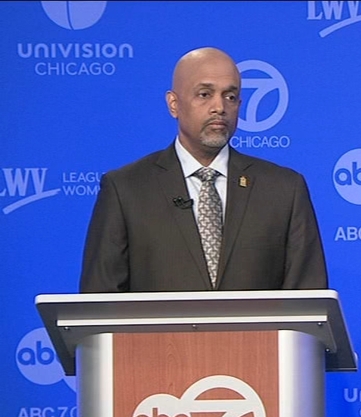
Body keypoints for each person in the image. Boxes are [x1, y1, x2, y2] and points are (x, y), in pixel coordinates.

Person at [80, 47, 327, 292]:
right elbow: (100, 300)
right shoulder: (126, 189)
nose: (219, 107)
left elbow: (307, 299)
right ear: (174, 104)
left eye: (230, 97)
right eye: (205, 94)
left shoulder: (283, 190)